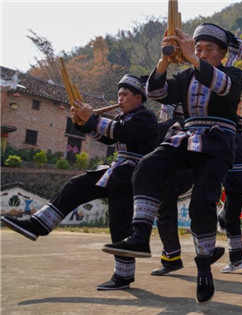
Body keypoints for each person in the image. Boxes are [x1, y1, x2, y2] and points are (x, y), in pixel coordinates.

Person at [101, 23, 242, 304]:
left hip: (217, 142)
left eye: (208, 50)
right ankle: (140, 236)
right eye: (198, 48)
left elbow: (223, 87)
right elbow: (156, 93)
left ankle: (204, 266)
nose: (202, 54)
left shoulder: (234, 74)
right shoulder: (186, 77)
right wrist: (165, 60)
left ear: (222, 53)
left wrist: (192, 56)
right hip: (186, 136)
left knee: (201, 202)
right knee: (147, 166)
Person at [1, 74, 158, 290]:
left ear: (139, 97)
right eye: (118, 94)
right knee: (76, 185)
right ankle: (38, 224)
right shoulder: (124, 117)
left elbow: (121, 132)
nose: (120, 98)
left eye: (124, 94)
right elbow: (107, 137)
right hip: (118, 171)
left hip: (134, 175)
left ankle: (123, 276)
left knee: (119, 221)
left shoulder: (146, 117)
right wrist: (83, 123)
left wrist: (92, 118)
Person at [150, 104, 193, 276]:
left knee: (165, 216)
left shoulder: (162, 127)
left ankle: (171, 258)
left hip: (169, 176)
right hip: (188, 176)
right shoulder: (191, 125)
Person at [217, 116, 242, 273]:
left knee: (232, 219)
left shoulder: (230, 138)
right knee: (230, 211)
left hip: (236, 180)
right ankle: (223, 215)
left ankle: (237, 259)